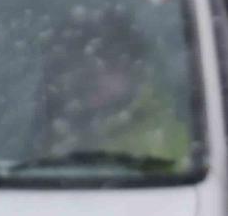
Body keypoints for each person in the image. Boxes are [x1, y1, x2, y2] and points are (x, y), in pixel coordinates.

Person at [32, 18, 191, 171]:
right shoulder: (56, 126)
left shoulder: (160, 137)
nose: (93, 77)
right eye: (81, 64)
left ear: (134, 71)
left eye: (108, 65)